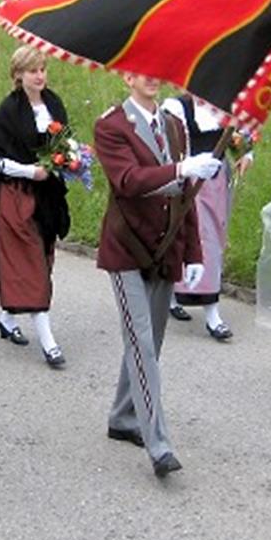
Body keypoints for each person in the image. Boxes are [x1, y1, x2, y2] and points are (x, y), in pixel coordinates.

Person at [94, 71, 221, 478]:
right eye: (139, 72)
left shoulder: (171, 124)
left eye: (155, 72)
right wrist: (181, 169)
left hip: (164, 248)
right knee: (142, 344)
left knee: (151, 341)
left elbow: (185, 199)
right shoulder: (112, 125)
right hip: (127, 248)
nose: (149, 79)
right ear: (125, 76)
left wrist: (194, 252)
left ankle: (123, 417)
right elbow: (128, 182)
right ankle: (159, 444)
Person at [0, 46, 71, 368]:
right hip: (16, 196)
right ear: (18, 76)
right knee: (30, 266)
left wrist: (70, 160)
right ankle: (49, 341)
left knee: (43, 257)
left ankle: (8, 319)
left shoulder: (53, 103)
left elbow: (63, 143)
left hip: (47, 197)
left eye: (42, 69)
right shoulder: (9, 111)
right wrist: (29, 171)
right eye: (32, 71)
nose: (39, 75)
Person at [161, 93, 250, 339]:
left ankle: (198, 304)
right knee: (193, 238)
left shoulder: (225, 105)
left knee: (213, 241)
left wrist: (245, 153)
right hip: (189, 181)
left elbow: (236, 138)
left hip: (217, 182)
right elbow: (168, 146)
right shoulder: (177, 107)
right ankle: (209, 312)